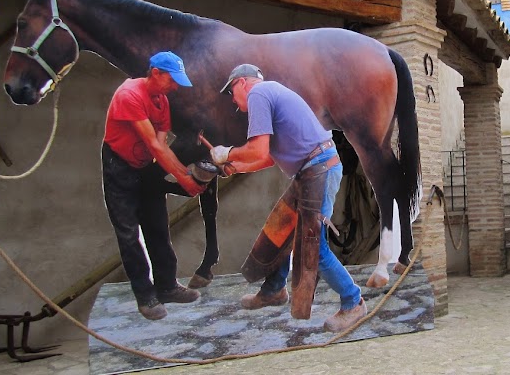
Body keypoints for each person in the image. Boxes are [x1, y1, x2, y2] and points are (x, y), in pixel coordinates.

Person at [212, 64, 366, 332]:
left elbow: (257, 151)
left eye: (231, 91)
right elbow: (265, 158)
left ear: (243, 83)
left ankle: (353, 302)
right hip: (313, 168)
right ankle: (273, 290)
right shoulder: (273, 94)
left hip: (318, 169)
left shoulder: (258, 94)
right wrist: (234, 166)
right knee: (281, 229)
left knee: (313, 247)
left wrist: (228, 153)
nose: (234, 101)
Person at [102, 51, 205, 320]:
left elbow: (161, 143)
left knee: (158, 227)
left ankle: (168, 287)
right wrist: (184, 178)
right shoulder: (129, 95)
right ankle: (145, 296)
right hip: (119, 167)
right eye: (172, 81)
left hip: (145, 167)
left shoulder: (161, 101)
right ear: (156, 73)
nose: (175, 87)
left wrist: (185, 175)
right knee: (128, 234)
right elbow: (156, 145)